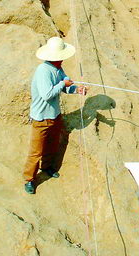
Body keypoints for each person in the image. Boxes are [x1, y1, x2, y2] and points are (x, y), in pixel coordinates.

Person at [23, 36, 87, 194]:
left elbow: (65, 86)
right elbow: (47, 94)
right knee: (36, 151)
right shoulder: (43, 71)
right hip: (41, 118)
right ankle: (29, 179)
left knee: (52, 144)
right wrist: (62, 84)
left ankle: (47, 168)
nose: (63, 60)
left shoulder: (58, 68)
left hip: (55, 116)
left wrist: (76, 89)